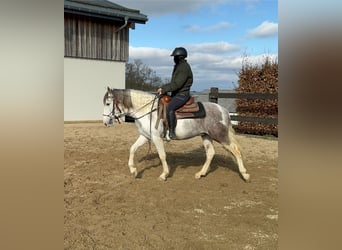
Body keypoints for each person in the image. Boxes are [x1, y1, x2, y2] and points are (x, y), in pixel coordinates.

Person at [157, 47, 193, 139]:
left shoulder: (184, 68)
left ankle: (172, 132)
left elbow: (177, 84)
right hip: (176, 94)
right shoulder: (179, 66)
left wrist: (164, 89)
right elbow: (174, 83)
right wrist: (163, 88)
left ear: (180, 57)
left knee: (170, 108)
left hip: (182, 95)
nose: (173, 59)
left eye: (175, 57)